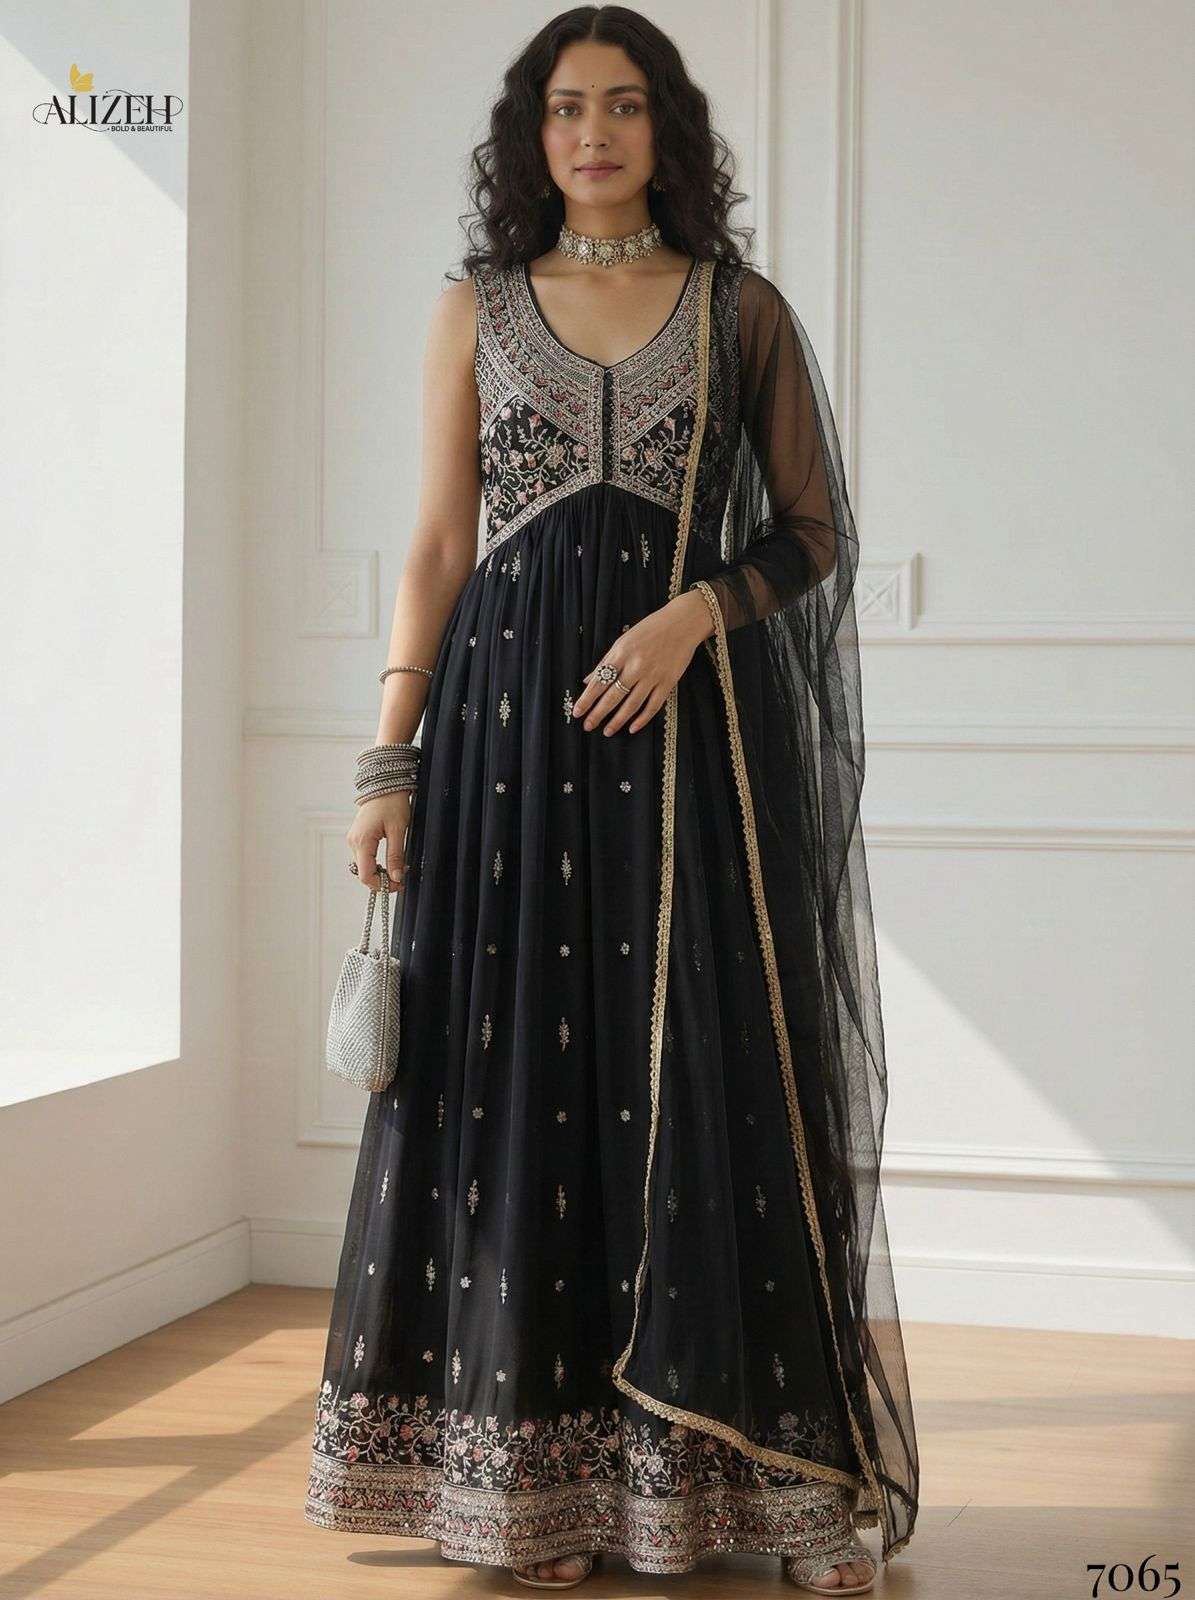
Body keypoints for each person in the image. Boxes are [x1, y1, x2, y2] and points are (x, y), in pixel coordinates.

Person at [303, 8, 918, 1593]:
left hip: (693, 744)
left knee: (718, 1076)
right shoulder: (475, 307)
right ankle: (542, 1494)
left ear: (668, 128)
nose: (594, 133)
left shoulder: (740, 310)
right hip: (503, 748)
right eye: (567, 107)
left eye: (625, 105)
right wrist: (388, 763)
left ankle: (773, 1490)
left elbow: (812, 532)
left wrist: (694, 613)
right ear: (533, 132)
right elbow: (438, 546)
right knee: (517, 1084)